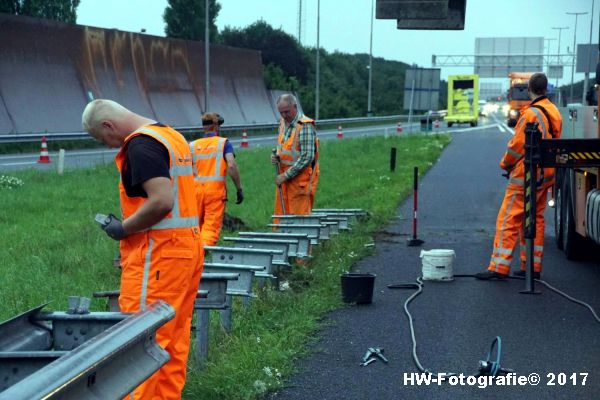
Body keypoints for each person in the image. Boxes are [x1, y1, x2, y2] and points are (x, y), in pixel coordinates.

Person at [81, 99, 203, 399]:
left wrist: (124, 229)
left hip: (159, 255)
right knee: (171, 342)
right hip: (185, 251)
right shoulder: (170, 136)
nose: (109, 145)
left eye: (103, 138)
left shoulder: (141, 145)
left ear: (109, 125)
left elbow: (161, 201)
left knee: (141, 345)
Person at [476, 72, 562, 280]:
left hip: (527, 174)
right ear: (546, 89)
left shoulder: (531, 114)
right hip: (547, 174)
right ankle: (531, 266)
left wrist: (505, 164)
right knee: (534, 219)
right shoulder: (554, 111)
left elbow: (517, 147)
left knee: (508, 219)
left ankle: (499, 267)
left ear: (530, 89)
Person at [189, 112, 243, 246]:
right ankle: (204, 254)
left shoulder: (192, 146)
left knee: (194, 226)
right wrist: (239, 188)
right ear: (216, 126)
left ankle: (194, 255)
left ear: (204, 127)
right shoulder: (223, 143)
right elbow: (231, 165)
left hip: (194, 192)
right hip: (214, 192)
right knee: (210, 227)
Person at [271, 94, 319, 221]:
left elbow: (307, 157)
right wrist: (276, 155)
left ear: (295, 107)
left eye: (287, 112)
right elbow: (284, 145)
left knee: (299, 219)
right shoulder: (282, 123)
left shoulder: (305, 126)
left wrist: (285, 175)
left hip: (299, 181)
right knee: (281, 217)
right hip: (284, 179)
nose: (284, 115)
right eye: (281, 113)